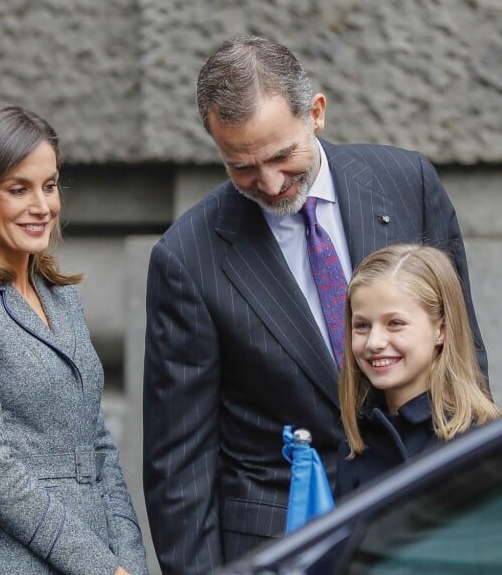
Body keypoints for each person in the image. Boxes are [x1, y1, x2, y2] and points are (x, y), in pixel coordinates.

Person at [142, 35, 488, 574]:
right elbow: (179, 465)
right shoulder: (187, 257)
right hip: (281, 544)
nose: (272, 183)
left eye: (282, 156)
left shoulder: (407, 182)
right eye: (242, 168)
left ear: (316, 113)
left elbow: (465, 364)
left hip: (424, 523)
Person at [0, 101, 148, 575]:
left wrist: (129, 559)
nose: (42, 206)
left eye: (49, 186)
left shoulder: (61, 298)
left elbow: (99, 446)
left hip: (101, 552)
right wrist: (98, 567)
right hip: (6, 560)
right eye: (18, 189)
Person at [335, 244, 500, 498]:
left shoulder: (479, 441)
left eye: (395, 323)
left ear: (441, 330)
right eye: (362, 325)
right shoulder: (356, 443)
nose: (374, 342)